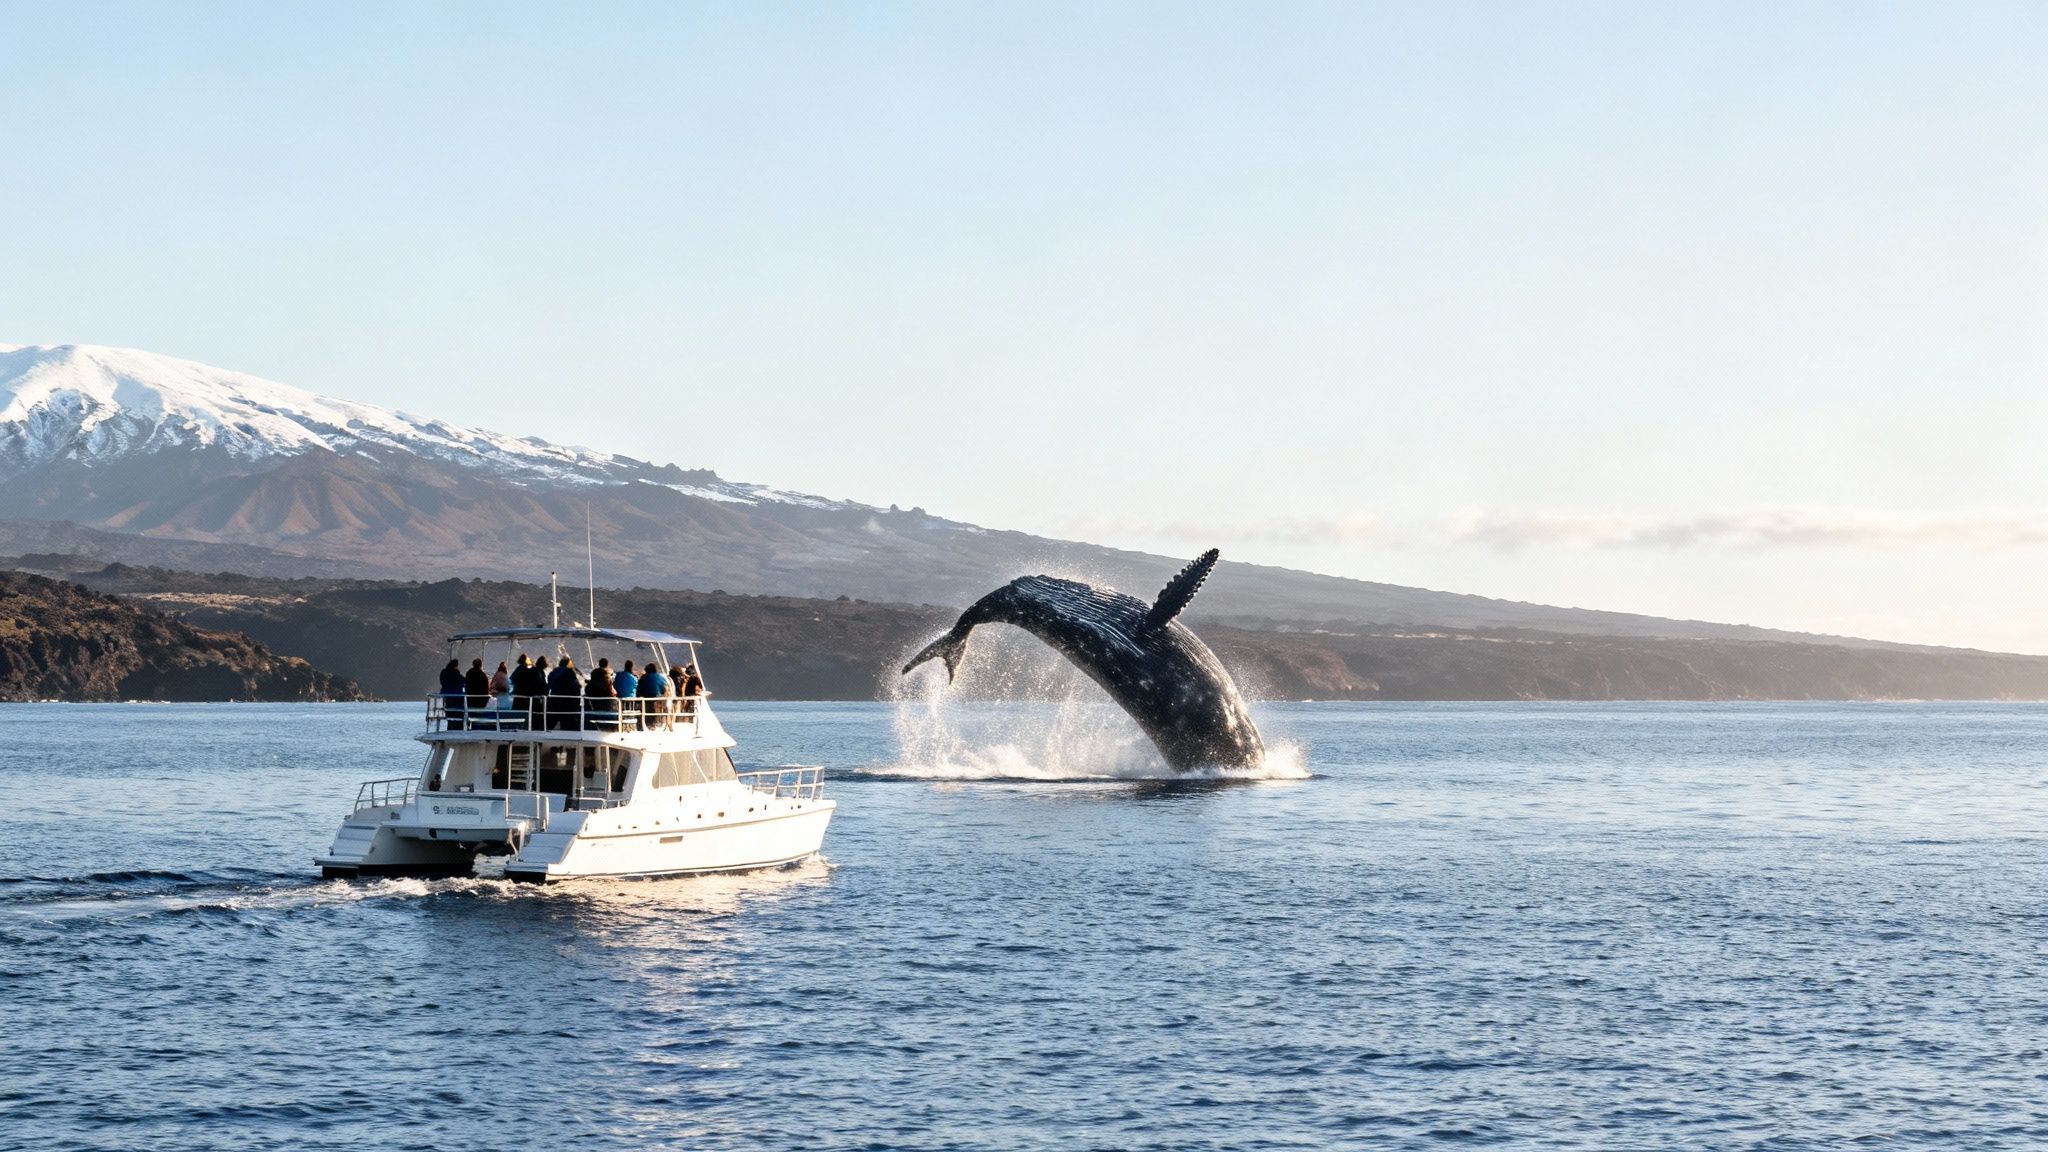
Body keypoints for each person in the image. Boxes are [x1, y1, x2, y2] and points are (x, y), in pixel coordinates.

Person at [547, 656, 585, 730]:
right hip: (568, 704)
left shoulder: (553, 672)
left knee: (550, 723)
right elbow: (576, 687)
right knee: (568, 725)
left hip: (554, 702)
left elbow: (550, 685)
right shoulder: (570, 672)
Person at [510, 654, 544, 729]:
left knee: (518, 715)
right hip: (532, 697)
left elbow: (512, 680)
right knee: (535, 716)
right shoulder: (534, 669)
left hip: (519, 697)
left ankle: (516, 728)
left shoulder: (518, 670)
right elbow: (539, 682)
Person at [586, 657, 618, 730]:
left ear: (599, 664)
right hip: (606, 703)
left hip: (594, 702)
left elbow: (589, 688)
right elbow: (611, 691)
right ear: (607, 665)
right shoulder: (608, 677)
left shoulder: (594, 675)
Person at [636, 661, 670, 728]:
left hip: (646, 699)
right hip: (659, 699)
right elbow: (664, 689)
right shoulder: (660, 677)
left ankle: (647, 724)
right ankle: (658, 723)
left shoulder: (643, 677)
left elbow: (639, 688)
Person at [438, 660, 466, 729]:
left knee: (449, 714)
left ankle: (450, 727)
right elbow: (464, 681)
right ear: (455, 666)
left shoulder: (444, 673)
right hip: (457, 699)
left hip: (446, 698)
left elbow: (442, 683)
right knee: (458, 714)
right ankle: (458, 729)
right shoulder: (456, 674)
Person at [464, 658, 491, 729]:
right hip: (481, 701)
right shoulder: (483, 675)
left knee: (470, 714)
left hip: (470, 699)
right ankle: (477, 729)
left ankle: (469, 727)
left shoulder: (469, 673)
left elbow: (466, 686)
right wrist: (486, 698)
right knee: (478, 716)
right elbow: (486, 688)